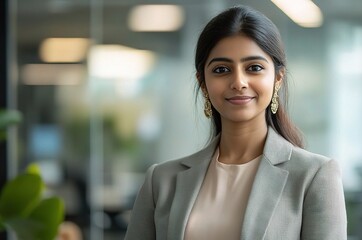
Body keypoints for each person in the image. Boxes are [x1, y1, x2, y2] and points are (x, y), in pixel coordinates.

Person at [125, 5, 347, 240]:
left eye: (254, 68)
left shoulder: (314, 176)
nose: (239, 82)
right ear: (203, 82)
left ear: (278, 78)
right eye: (221, 69)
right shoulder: (161, 181)